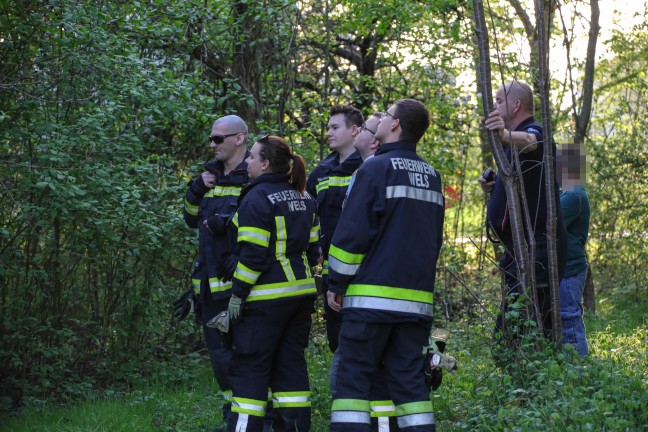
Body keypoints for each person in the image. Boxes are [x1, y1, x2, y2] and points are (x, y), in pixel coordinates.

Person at [328, 99, 444, 432]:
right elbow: (432, 240)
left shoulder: (375, 168)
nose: (380, 118)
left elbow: (352, 234)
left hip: (369, 303)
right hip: (416, 304)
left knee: (352, 381)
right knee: (410, 385)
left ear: (395, 125)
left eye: (387, 115)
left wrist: (336, 283)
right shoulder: (432, 176)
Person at [225, 135, 320, 432]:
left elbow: (253, 255)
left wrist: (237, 295)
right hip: (301, 296)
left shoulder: (256, 197)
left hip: (266, 299)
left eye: (252, 157)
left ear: (265, 164)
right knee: (290, 369)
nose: (247, 161)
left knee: (250, 369)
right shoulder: (305, 196)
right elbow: (315, 250)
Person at [478, 80, 567, 339]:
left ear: (516, 105)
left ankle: (535, 373)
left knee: (522, 328)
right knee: (519, 322)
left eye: (499, 101)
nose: (494, 106)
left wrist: (504, 134)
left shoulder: (535, 131)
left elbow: (531, 141)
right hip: (518, 248)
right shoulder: (511, 143)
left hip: (538, 248)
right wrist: (496, 186)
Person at [177, 115, 249, 430]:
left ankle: (260, 417)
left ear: (240, 138)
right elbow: (191, 219)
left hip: (243, 285)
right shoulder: (210, 175)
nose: (212, 144)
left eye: (218, 139)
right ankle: (232, 417)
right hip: (209, 284)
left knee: (247, 354)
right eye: (211, 138)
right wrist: (195, 189)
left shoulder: (257, 173)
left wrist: (239, 253)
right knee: (220, 360)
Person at [306, 105, 363, 353]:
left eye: (335, 127)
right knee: (336, 340)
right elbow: (306, 213)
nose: (328, 132)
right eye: (328, 127)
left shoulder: (370, 166)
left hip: (365, 272)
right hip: (331, 270)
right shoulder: (320, 172)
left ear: (354, 130)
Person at [557, 143, 590, 356]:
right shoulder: (568, 193)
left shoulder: (574, 196)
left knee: (569, 318)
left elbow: (548, 222)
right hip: (567, 267)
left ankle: (579, 366)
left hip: (571, 268)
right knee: (566, 317)